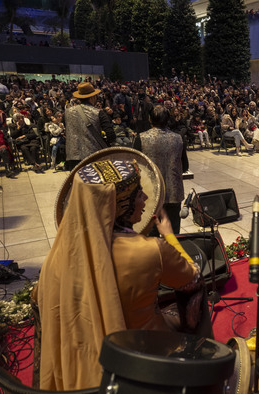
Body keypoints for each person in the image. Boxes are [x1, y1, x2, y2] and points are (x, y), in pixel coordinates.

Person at [34, 158, 206, 391]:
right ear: (117, 206)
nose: (145, 199)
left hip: (76, 366)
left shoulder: (59, 255)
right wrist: (169, 237)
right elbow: (192, 279)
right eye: (138, 194)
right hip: (141, 356)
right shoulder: (150, 250)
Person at [139, 105, 187, 234]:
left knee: (152, 232)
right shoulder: (178, 138)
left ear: (150, 119)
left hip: (151, 193)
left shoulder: (141, 138)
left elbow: (136, 167)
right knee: (173, 233)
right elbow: (185, 166)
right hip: (173, 192)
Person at [64, 82, 115, 171]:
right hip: (93, 156)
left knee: (77, 183)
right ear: (92, 97)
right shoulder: (98, 112)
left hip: (72, 156)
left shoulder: (67, 112)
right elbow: (111, 134)